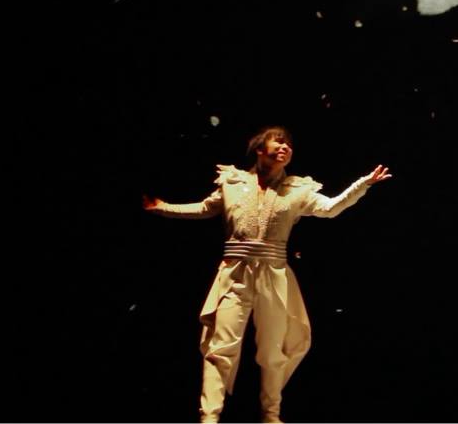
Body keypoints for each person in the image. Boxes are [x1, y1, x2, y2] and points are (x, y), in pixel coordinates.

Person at [143, 126, 391, 423]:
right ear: (259, 149)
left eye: (289, 144)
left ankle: (271, 415)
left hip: (273, 275)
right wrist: (163, 208)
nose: (285, 146)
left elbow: (330, 208)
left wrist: (363, 184)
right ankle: (209, 415)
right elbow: (204, 208)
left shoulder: (297, 190)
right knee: (221, 348)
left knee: (273, 349)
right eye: (279, 141)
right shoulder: (233, 183)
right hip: (235, 274)